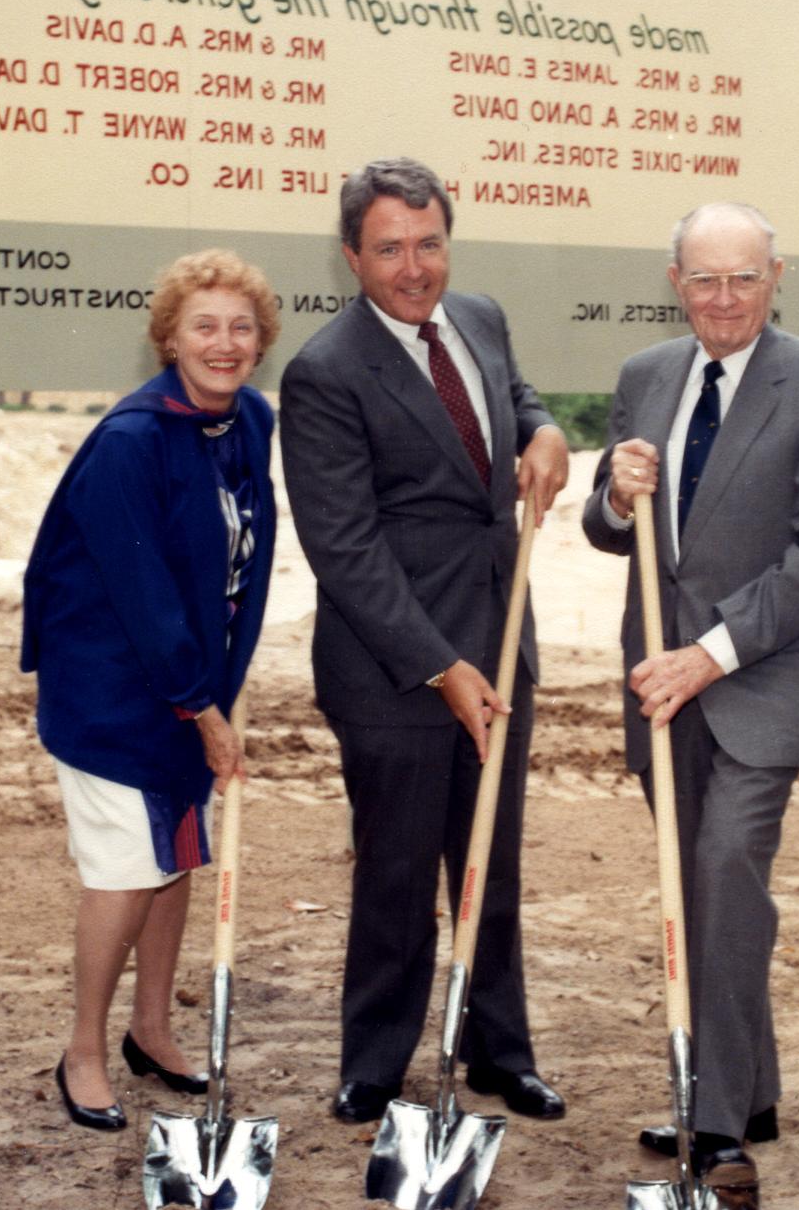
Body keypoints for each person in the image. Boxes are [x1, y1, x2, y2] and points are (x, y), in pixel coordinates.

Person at [582, 201, 799, 1201]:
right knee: (710, 891)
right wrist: (615, 494)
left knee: (724, 866)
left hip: (764, 670)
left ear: (776, 275)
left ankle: (716, 1130)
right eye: (704, 279)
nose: (722, 299)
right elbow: (607, 526)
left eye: (742, 278)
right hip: (663, 682)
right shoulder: (646, 376)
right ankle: (752, 1090)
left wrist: (708, 655)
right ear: (677, 281)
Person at [279, 156, 571, 1125]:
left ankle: (501, 1051)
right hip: (394, 665)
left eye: (430, 243)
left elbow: (511, 397)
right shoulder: (325, 372)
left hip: (501, 633)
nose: (415, 267)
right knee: (399, 868)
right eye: (391, 248)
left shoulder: (479, 317)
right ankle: (374, 1058)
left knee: (491, 858)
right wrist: (441, 666)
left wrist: (544, 427)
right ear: (354, 256)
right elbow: (345, 548)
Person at [21, 249, 280, 1132]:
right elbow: (143, 595)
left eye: (241, 327)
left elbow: (237, 562)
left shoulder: (247, 421)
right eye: (204, 325)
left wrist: (217, 687)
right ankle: (82, 1050)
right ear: (169, 336)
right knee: (127, 872)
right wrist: (202, 709)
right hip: (116, 691)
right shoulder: (132, 442)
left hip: (188, 682)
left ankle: (151, 1029)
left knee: (176, 858)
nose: (224, 342)